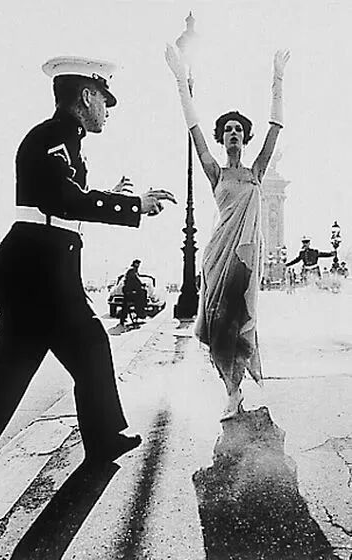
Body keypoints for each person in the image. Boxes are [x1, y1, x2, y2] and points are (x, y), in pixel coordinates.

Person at [0, 56, 177, 531]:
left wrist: (111, 192)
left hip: (49, 273)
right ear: (86, 97)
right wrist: (132, 204)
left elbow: (66, 199)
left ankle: (104, 437)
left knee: (87, 348)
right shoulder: (51, 137)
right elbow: (63, 201)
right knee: (5, 386)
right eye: (104, 101)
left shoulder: (64, 141)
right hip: (38, 277)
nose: (107, 110)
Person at [165, 44, 290, 420]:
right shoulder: (215, 172)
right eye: (228, 130)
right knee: (219, 322)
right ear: (222, 138)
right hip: (218, 256)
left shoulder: (256, 172)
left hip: (245, 257)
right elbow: (194, 131)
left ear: (245, 138)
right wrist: (180, 80)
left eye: (238, 130)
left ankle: (235, 389)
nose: (233, 133)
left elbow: (275, 130)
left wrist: (278, 78)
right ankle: (231, 392)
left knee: (240, 322)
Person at [120, 259, 148, 325]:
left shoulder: (133, 271)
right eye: (137, 264)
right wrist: (140, 285)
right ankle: (140, 313)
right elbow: (134, 281)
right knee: (141, 297)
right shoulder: (132, 271)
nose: (138, 266)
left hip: (128, 290)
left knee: (125, 305)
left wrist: (141, 284)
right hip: (130, 290)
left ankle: (123, 318)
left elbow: (136, 280)